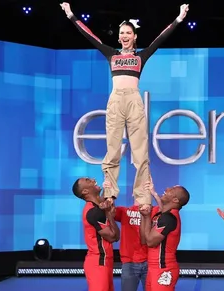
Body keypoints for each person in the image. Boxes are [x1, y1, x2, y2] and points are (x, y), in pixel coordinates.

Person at [60, 2, 189, 209]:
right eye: (122, 33)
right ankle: (110, 194)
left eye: (128, 32)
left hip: (134, 101)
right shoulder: (111, 54)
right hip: (115, 101)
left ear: (134, 36)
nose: (125, 35)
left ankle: (143, 198)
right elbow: (90, 36)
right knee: (112, 149)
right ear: (119, 37)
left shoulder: (141, 57)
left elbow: (160, 38)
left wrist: (179, 18)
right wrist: (71, 15)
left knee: (140, 151)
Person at [102, 179, 161, 291]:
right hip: (129, 262)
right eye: (139, 190)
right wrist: (107, 192)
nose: (142, 193)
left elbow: (165, 211)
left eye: (144, 190)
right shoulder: (124, 211)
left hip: (149, 262)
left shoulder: (154, 211)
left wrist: (154, 193)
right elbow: (106, 209)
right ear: (133, 193)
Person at [72, 177, 120, 291]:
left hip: (104, 262)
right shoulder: (93, 212)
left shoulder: (96, 208)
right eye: (88, 180)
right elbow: (114, 237)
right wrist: (110, 216)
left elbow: (103, 203)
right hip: (98, 263)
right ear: (85, 192)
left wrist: (107, 192)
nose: (93, 179)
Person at [139, 184, 190, 291]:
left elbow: (150, 242)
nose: (167, 189)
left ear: (175, 200)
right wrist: (145, 215)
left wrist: (147, 218)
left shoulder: (169, 218)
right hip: (153, 268)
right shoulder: (162, 216)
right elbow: (143, 240)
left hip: (164, 269)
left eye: (171, 190)